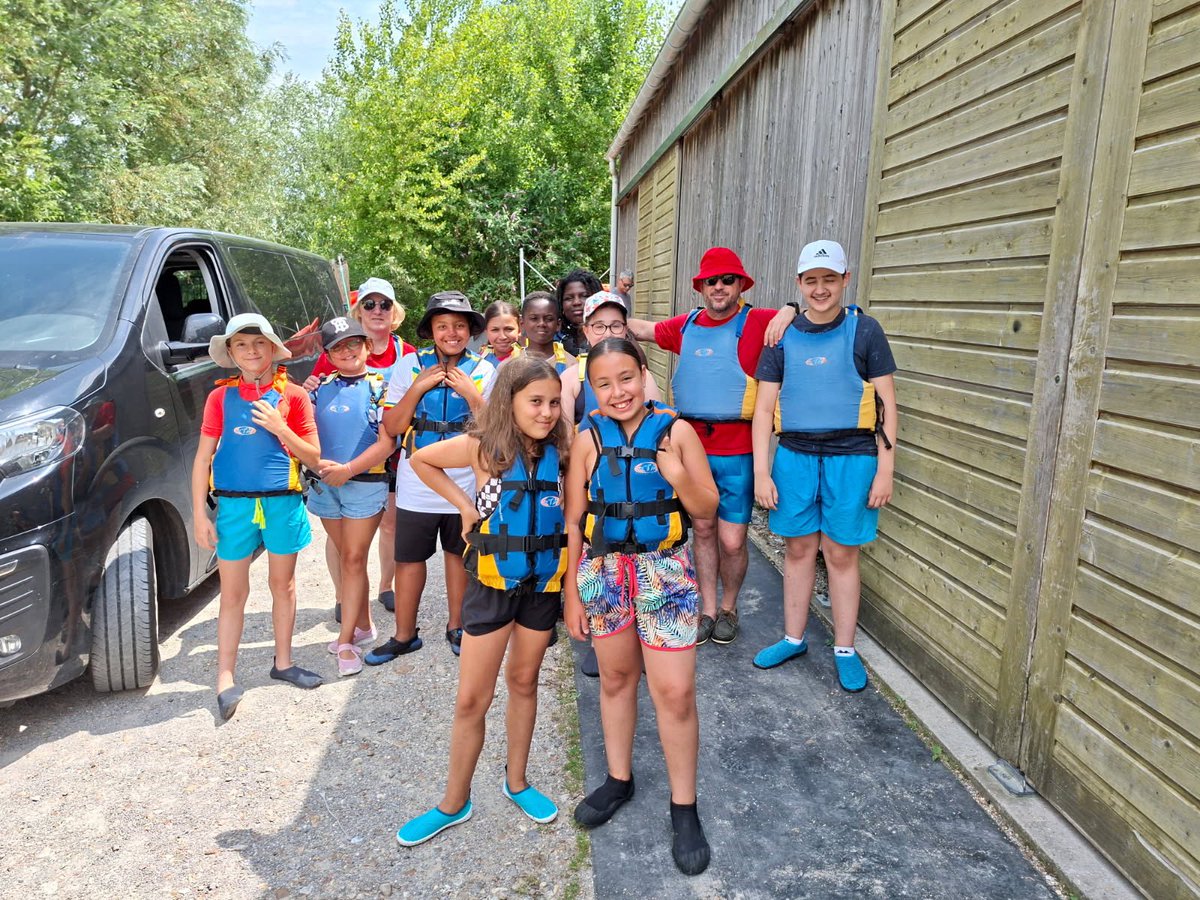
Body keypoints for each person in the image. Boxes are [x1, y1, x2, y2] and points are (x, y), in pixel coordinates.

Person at [396, 356, 570, 845]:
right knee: (473, 698)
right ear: (509, 402)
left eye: (554, 402)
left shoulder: (566, 448)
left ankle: (516, 782)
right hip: (492, 584)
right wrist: (466, 507)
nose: (546, 412)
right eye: (535, 402)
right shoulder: (484, 448)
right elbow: (420, 459)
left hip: (542, 589)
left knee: (524, 681)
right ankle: (454, 801)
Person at [563, 337, 718, 876]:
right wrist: (570, 589)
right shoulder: (587, 438)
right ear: (591, 388)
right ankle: (618, 779)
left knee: (674, 693)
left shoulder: (677, 432)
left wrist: (676, 476)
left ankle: (684, 807)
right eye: (603, 383)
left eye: (626, 378)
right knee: (615, 679)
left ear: (645, 374)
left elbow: (707, 509)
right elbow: (575, 519)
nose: (617, 392)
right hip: (605, 573)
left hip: (665, 571)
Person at [626, 247, 796, 646]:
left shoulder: (757, 321)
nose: (719, 287)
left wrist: (789, 308)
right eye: (711, 281)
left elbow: (807, 318)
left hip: (737, 449)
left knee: (732, 539)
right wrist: (603, 315)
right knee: (702, 529)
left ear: (740, 284)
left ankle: (729, 607)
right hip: (692, 447)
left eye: (727, 280)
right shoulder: (686, 326)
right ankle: (706, 609)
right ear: (701, 286)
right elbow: (643, 329)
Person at [751, 240, 897, 692]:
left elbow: (888, 406)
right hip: (794, 456)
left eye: (829, 280)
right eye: (811, 281)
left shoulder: (866, 330)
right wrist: (761, 471)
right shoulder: (781, 335)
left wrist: (885, 469)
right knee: (797, 550)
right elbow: (762, 410)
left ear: (844, 280)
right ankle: (793, 637)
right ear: (799, 283)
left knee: (840, 553)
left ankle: (845, 647)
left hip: (853, 458)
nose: (820, 289)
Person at [191, 314, 323, 720]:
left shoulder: (295, 395)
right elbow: (202, 459)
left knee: (282, 586)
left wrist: (281, 427)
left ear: (272, 349)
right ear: (230, 353)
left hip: (282, 503)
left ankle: (283, 662)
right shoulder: (220, 398)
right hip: (234, 507)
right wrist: (199, 513)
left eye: (259, 343)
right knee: (233, 594)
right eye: (242, 345)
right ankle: (225, 678)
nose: (251, 351)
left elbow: (314, 457)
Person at [371, 291, 498, 663]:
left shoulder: (484, 370)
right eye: (443, 326)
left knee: (458, 555)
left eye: (459, 325)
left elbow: (494, 427)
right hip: (416, 480)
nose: (452, 332)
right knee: (409, 559)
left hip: (464, 480)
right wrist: (417, 388)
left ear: (470, 330)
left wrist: (472, 395)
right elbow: (392, 426)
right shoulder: (409, 364)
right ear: (431, 330)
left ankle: (456, 626)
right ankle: (405, 634)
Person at [305, 277, 416, 621]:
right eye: (370, 304)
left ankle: (385, 586)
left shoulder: (407, 353)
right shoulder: (336, 351)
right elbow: (317, 399)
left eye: (384, 304)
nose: (377, 310)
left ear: (394, 311)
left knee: (391, 523)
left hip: (391, 452)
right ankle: (344, 594)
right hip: (341, 458)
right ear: (359, 310)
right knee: (340, 532)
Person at [308, 316, 397, 677]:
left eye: (353, 343)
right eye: (338, 346)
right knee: (346, 555)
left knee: (355, 557)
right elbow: (301, 432)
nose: (347, 350)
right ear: (328, 354)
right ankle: (364, 626)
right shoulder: (316, 389)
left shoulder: (383, 387)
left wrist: (349, 470)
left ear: (366, 345)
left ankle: (346, 641)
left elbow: (388, 441)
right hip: (324, 486)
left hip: (366, 483)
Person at [561, 291, 662, 432]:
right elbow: (564, 440)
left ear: (625, 330)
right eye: (599, 326)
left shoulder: (644, 376)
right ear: (586, 331)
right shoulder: (571, 378)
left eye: (615, 326)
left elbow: (658, 429)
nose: (608, 334)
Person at [519, 291, 574, 374]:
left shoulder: (572, 365)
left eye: (548, 319)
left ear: (558, 324)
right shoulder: (509, 365)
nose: (541, 323)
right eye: (534, 318)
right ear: (522, 324)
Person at [554, 269, 601, 356]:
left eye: (584, 296)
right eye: (569, 298)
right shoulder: (554, 338)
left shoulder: (610, 335)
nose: (576, 302)